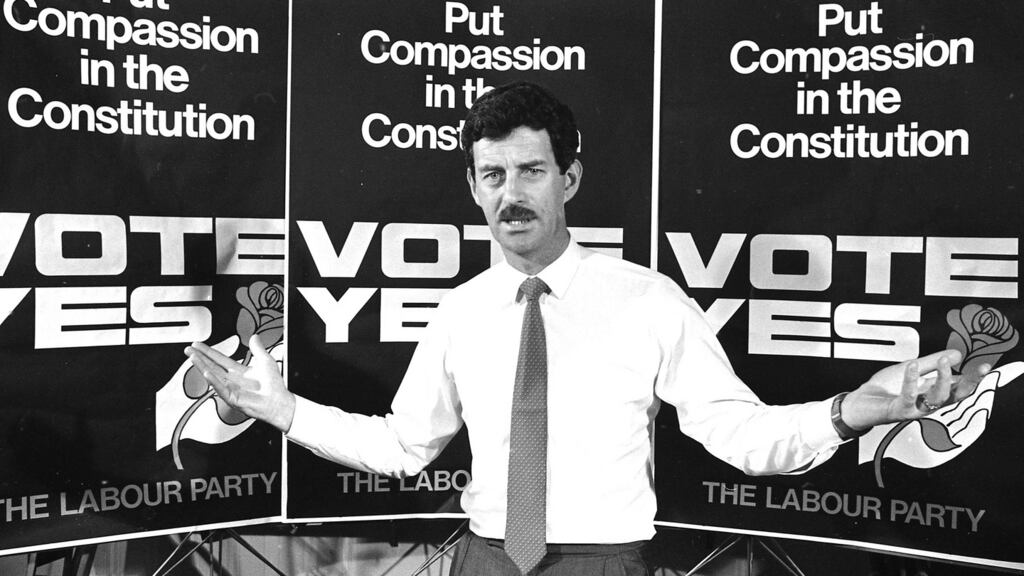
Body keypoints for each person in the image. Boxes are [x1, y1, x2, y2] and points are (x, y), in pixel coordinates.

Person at [185, 81, 987, 576]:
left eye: (532, 171)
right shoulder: (461, 311)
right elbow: (403, 447)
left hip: (605, 563)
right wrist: (281, 411)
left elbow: (741, 435)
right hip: (483, 558)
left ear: (569, 177)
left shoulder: (647, 302)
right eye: (493, 175)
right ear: (472, 186)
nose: (512, 195)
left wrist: (858, 410)